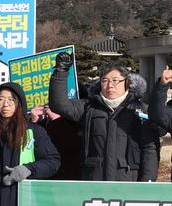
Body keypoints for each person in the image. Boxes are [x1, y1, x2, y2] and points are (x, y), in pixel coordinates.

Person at [48, 52, 159, 182]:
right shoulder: (89, 107)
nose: (110, 85)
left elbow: (149, 148)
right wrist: (61, 71)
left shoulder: (139, 110)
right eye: (105, 80)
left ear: (127, 82)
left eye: (115, 81)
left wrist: (148, 180)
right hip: (95, 181)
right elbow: (59, 105)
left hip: (129, 182)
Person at [29, 105, 82, 180]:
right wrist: (35, 121)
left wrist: (56, 119)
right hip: (46, 175)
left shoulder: (75, 120)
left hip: (69, 177)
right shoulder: (44, 123)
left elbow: (71, 146)